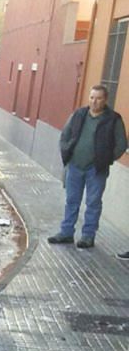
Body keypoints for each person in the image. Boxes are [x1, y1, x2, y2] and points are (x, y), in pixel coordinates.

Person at [48, 85, 127, 249]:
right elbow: (66, 134)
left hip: (96, 169)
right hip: (75, 166)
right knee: (71, 200)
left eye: (98, 98)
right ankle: (66, 232)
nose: (94, 102)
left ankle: (88, 236)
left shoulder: (113, 119)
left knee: (93, 202)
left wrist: (106, 159)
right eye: (92, 98)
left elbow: (121, 144)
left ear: (105, 100)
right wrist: (67, 152)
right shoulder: (79, 114)